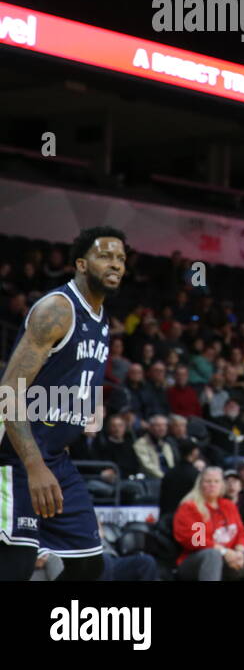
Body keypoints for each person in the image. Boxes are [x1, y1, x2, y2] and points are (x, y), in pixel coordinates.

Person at [0, 226, 126, 582]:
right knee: (17, 564)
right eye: (105, 256)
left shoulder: (101, 321)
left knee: (88, 563)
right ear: (82, 265)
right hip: (14, 456)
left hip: (55, 457)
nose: (115, 264)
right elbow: (9, 390)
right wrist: (35, 465)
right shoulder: (58, 310)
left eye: (120, 258)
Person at [173, 466, 244, 581]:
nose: (212, 485)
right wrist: (224, 552)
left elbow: (241, 533)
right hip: (195, 560)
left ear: (222, 485)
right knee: (212, 555)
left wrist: (239, 552)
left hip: (229, 559)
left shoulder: (228, 505)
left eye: (216, 481)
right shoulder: (191, 507)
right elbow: (197, 541)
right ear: (200, 484)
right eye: (208, 481)